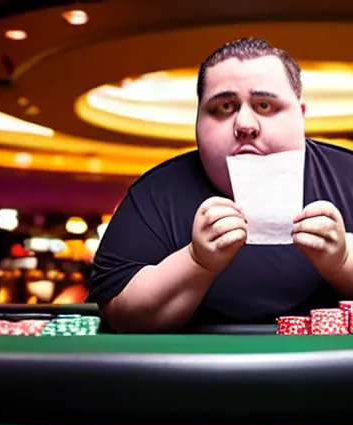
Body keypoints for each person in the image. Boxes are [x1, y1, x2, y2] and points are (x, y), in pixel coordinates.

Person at [87, 38, 353, 333]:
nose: (245, 124)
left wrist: (341, 259)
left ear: (300, 116)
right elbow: (120, 311)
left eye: (265, 105)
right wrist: (196, 261)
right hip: (187, 373)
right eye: (224, 106)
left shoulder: (347, 173)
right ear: (198, 121)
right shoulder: (155, 192)